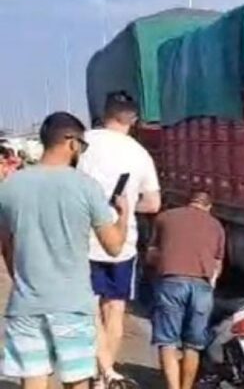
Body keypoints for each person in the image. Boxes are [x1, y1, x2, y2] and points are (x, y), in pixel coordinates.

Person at [0, 112, 128, 389]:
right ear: (72, 143)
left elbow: (6, 248)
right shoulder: (85, 187)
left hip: (26, 306)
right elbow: (114, 246)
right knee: (77, 382)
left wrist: (23, 279)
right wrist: (124, 214)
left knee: (32, 382)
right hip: (73, 306)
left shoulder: (10, 187)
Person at [77, 91, 161, 387]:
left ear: (104, 113)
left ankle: (101, 371)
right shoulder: (139, 153)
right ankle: (106, 373)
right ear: (133, 119)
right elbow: (153, 204)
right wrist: (125, 205)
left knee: (90, 308)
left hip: (83, 240)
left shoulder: (82, 143)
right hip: (123, 244)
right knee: (115, 309)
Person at [147, 190, 225, 389]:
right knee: (193, 345)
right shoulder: (216, 226)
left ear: (187, 202)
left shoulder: (165, 218)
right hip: (202, 287)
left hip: (171, 282)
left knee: (168, 342)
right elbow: (217, 265)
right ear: (209, 207)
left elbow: (151, 255)